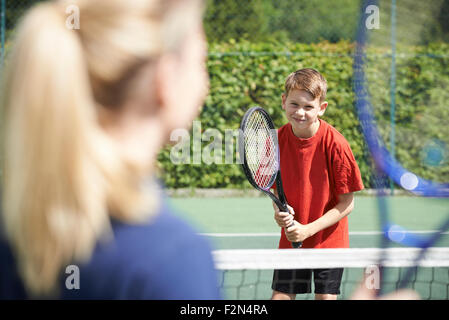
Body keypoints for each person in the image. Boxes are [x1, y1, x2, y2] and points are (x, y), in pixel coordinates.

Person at [0, 0, 220, 299]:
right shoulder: (172, 258)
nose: (204, 84)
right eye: (200, 62)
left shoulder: (13, 233)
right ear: (164, 79)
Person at [271, 68, 364, 300]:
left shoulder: (337, 145)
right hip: (292, 240)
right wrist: (279, 211)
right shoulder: (275, 141)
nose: (300, 112)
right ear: (283, 102)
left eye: (308, 106)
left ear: (321, 108)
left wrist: (307, 229)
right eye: (294, 104)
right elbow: (273, 187)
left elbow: (347, 204)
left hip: (329, 243)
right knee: (280, 297)